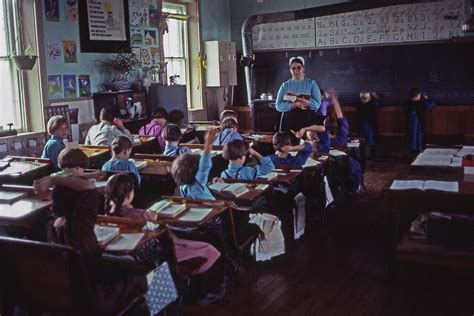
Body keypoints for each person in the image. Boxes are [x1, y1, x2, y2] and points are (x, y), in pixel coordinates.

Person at [32, 175, 148, 314]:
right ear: (81, 202)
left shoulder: (50, 227)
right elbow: (89, 187)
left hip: (69, 297)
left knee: (129, 264)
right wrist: (52, 179)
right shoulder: (80, 226)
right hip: (97, 297)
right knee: (145, 273)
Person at [171, 128, 240, 279]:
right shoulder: (198, 182)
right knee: (231, 228)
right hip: (214, 220)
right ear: (197, 172)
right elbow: (205, 163)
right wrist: (208, 143)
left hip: (196, 222)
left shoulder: (182, 186)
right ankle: (231, 262)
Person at [275, 56, 321, 144]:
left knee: (307, 147)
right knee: (288, 146)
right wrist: (294, 105)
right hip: (289, 120)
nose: (296, 70)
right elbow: (278, 105)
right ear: (290, 70)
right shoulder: (285, 85)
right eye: (293, 68)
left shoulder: (311, 83)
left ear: (303, 69)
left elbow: (317, 104)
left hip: (307, 119)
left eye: (299, 68)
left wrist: (307, 103)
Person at [404, 88, 436, 157]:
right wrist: (427, 98)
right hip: (419, 125)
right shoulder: (422, 103)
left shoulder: (406, 104)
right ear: (418, 95)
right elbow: (432, 103)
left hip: (409, 126)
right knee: (419, 139)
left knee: (411, 139)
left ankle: (411, 156)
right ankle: (419, 157)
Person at [357, 91, 382, 159]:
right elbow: (380, 102)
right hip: (367, 125)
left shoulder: (359, 104)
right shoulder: (371, 104)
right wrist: (375, 96)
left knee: (370, 140)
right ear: (368, 98)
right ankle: (369, 155)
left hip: (368, 125)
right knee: (367, 140)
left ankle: (370, 155)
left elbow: (379, 103)